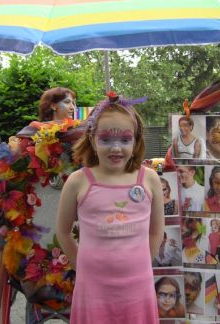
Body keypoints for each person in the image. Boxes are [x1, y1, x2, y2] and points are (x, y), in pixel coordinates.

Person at [56, 93, 164, 324]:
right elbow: (63, 232)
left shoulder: (150, 180)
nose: (116, 148)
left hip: (138, 288)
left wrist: (144, 264)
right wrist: (82, 268)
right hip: (92, 290)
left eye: (125, 140)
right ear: (93, 139)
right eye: (106, 139)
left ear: (136, 142)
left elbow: (156, 231)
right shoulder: (78, 181)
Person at [14, 87, 80, 324]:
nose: (72, 107)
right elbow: (17, 177)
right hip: (41, 217)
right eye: (68, 102)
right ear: (53, 106)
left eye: (73, 103)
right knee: (38, 279)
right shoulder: (30, 135)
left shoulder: (80, 137)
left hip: (73, 220)